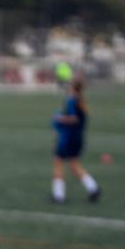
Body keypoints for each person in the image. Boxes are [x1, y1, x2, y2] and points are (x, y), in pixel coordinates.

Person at [50, 76, 100, 204]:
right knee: (74, 165)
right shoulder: (80, 99)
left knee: (58, 162)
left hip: (68, 137)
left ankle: (58, 195)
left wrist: (59, 118)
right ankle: (93, 188)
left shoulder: (72, 99)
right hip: (78, 137)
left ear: (73, 86)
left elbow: (73, 119)